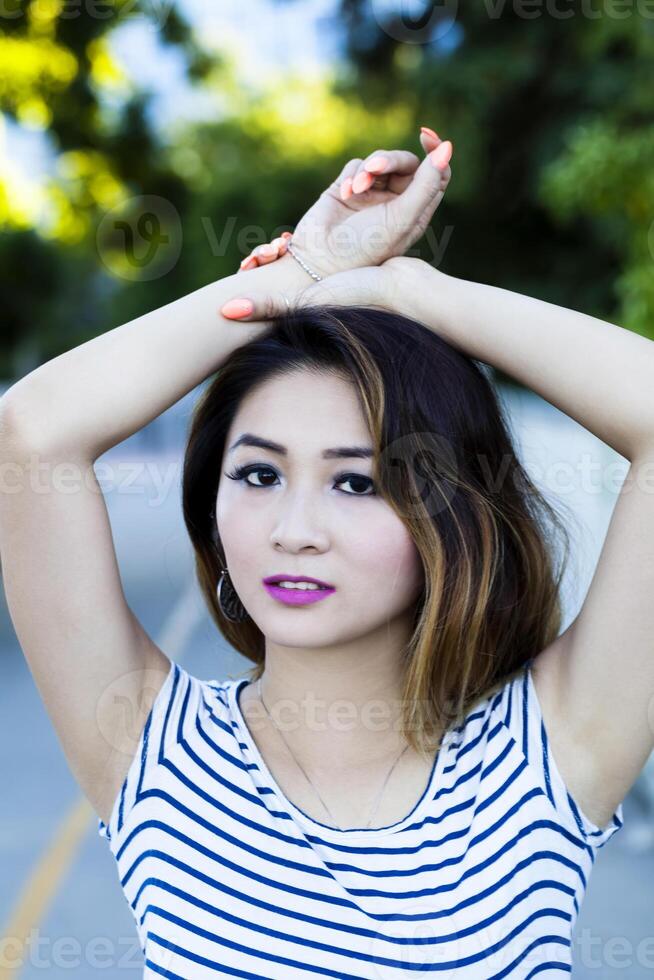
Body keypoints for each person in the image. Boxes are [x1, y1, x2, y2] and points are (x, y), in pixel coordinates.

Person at [0, 126, 652, 978]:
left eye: (357, 483)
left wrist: (416, 293)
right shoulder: (154, 752)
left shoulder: (550, 754)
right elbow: (32, 431)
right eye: (259, 473)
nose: (293, 528)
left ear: (448, 511)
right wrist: (298, 274)